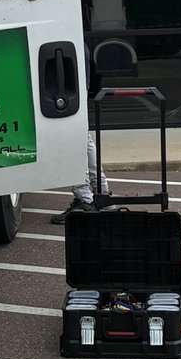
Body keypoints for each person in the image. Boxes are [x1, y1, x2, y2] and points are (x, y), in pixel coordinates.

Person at [50, 42, 114, 223]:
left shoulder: (61, 42)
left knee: (74, 145)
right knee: (85, 143)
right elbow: (93, 73)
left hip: (64, 99)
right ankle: (102, 194)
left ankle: (84, 199)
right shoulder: (79, 42)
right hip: (78, 97)